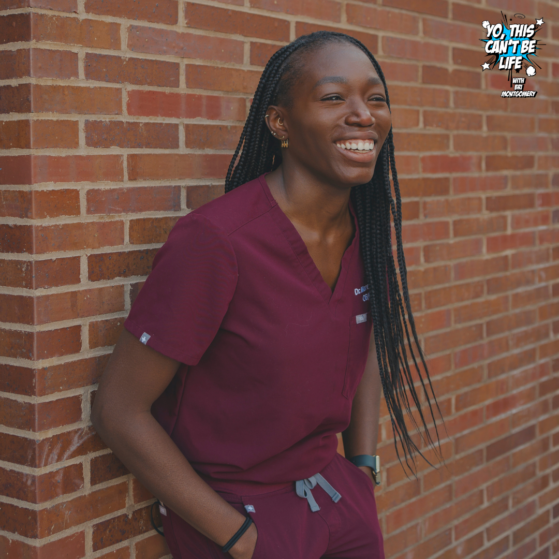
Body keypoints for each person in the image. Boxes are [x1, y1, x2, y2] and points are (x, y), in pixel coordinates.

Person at [92, 31, 443, 559]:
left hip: (337, 497)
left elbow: (365, 340)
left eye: (375, 98)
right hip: (241, 515)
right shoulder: (217, 242)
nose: (363, 115)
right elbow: (119, 410)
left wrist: (362, 468)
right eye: (333, 98)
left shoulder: (364, 230)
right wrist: (238, 537)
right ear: (279, 122)